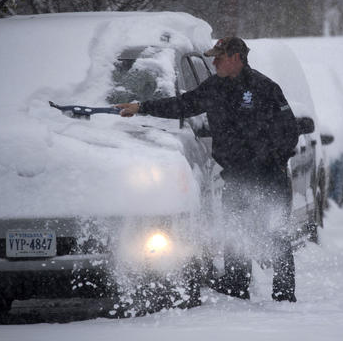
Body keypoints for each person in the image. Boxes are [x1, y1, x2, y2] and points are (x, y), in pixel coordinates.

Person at [115, 37, 300, 302]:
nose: (213, 63)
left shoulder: (265, 88)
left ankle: (284, 296)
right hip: (236, 176)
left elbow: (289, 132)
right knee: (236, 230)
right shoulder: (215, 87)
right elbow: (183, 104)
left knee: (274, 232)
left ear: (236, 57)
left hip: (269, 176)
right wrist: (142, 107)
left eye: (219, 58)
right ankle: (236, 287)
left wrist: (270, 159)